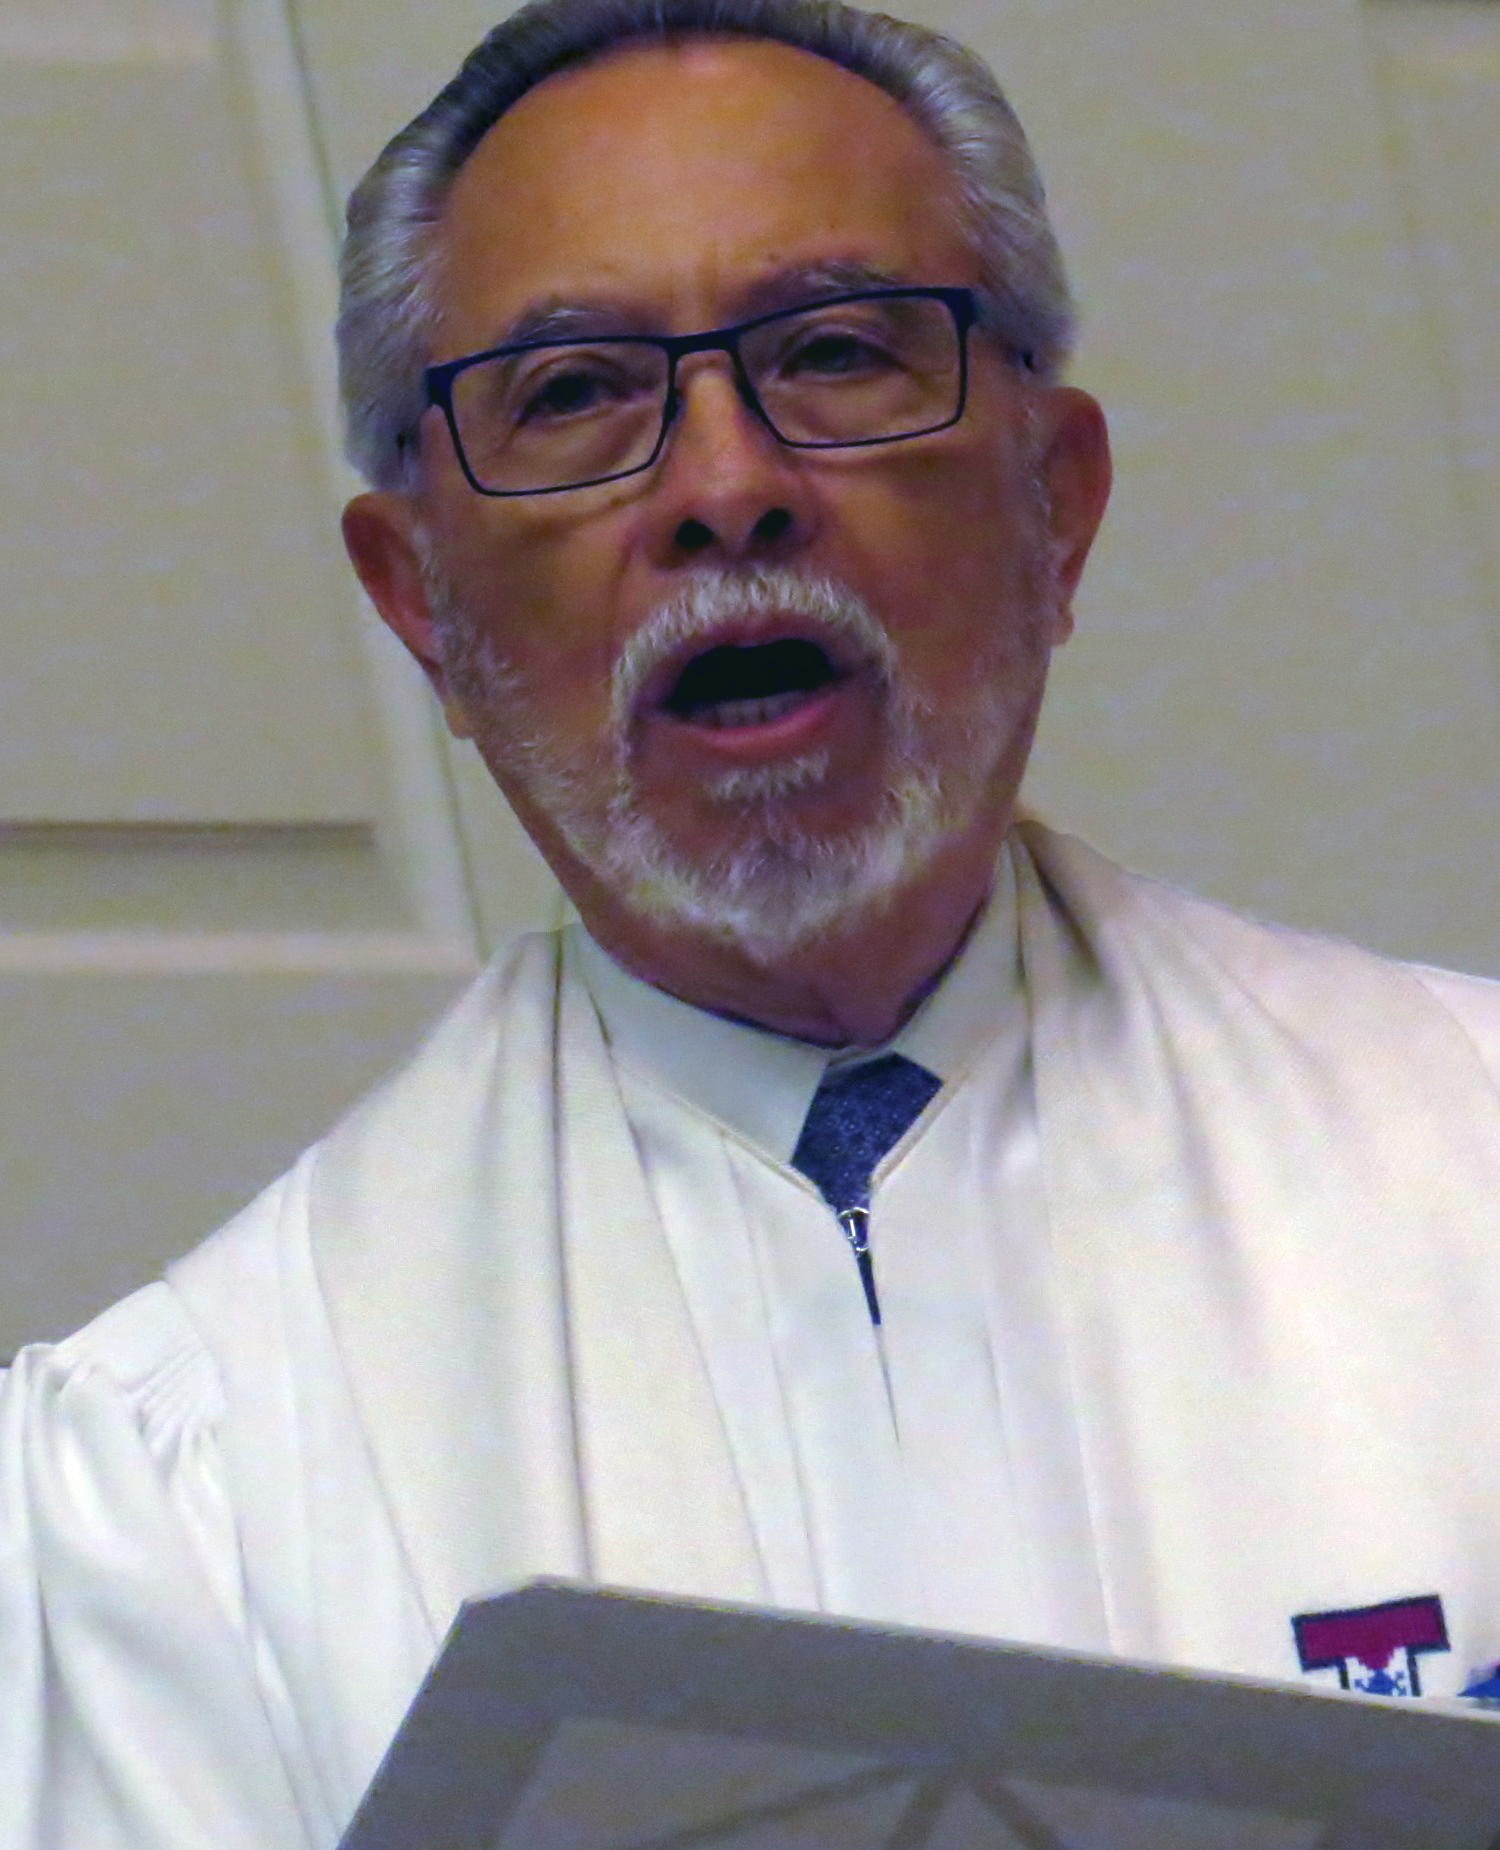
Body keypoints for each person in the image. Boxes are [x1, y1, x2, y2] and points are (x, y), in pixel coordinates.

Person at [7, 0, 1500, 1842]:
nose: (725, 489)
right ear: (422, 612)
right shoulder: (193, 1482)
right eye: (573, 397)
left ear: (1061, 507)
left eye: (843, 353)